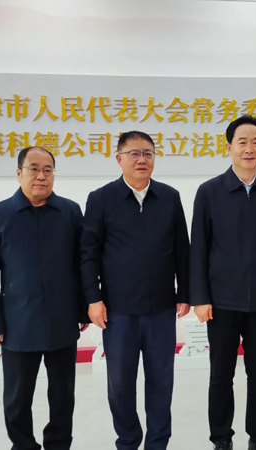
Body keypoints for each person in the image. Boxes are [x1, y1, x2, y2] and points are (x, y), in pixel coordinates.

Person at [81, 131, 190, 450]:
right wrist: (93, 299)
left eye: (148, 153)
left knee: (161, 383)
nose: (142, 159)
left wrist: (185, 292)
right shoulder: (101, 198)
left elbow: (182, 249)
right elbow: (88, 253)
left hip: (161, 309)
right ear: (119, 159)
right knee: (120, 385)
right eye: (134, 153)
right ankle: (128, 441)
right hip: (117, 311)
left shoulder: (169, 197)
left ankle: (158, 443)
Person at [190, 115, 256, 450]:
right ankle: (221, 438)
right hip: (221, 302)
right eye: (242, 142)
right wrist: (200, 297)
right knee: (221, 376)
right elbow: (199, 248)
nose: (249, 149)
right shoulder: (209, 192)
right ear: (229, 146)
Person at [0, 146, 88, 450]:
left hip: (62, 320)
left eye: (48, 170)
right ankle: (23, 445)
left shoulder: (69, 212)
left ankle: (58, 445)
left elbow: (82, 264)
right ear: (19, 173)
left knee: (63, 395)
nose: (41, 176)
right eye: (34, 169)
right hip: (18, 323)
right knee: (17, 397)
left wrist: (83, 310)